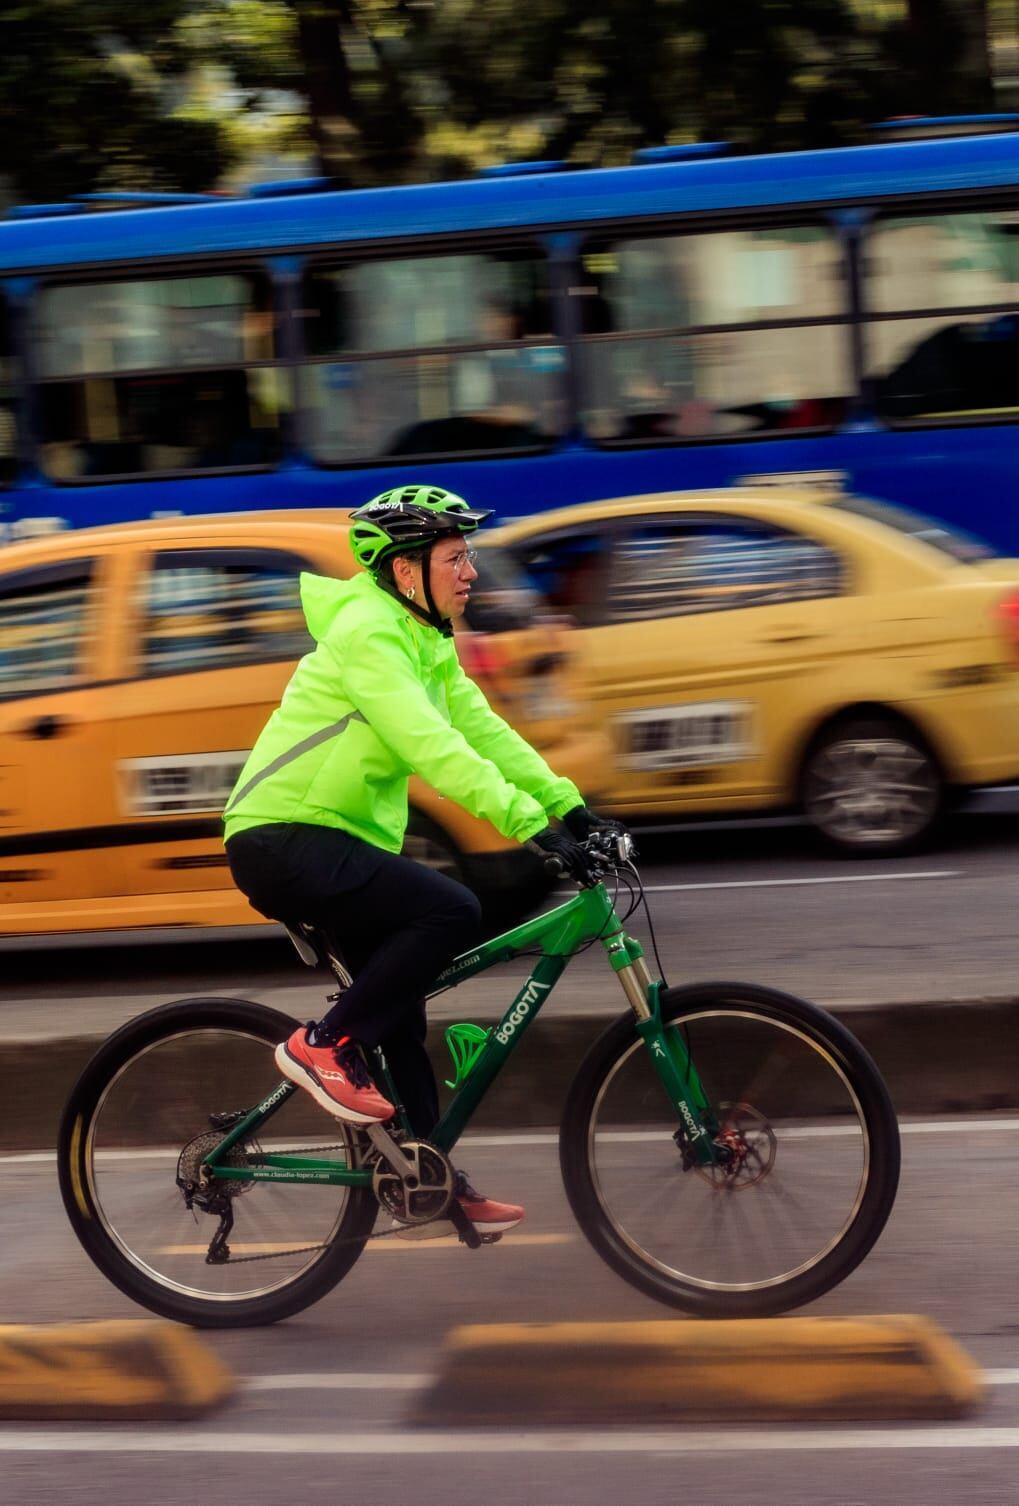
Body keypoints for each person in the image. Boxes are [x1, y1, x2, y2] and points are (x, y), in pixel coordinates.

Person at [223, 483, 621, 1239]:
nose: (470, 572)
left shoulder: (426, 641)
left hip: (334, 841)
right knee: (450, 908)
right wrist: (528, 826)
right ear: (407, 572)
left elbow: (483, 734)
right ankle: (321, 1045)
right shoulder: (368, 635)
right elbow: (427, 746)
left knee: (402, 1018)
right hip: (281, 835)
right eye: (455, 557)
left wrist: (569, 808)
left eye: (467, 556)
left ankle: (424, 1174)